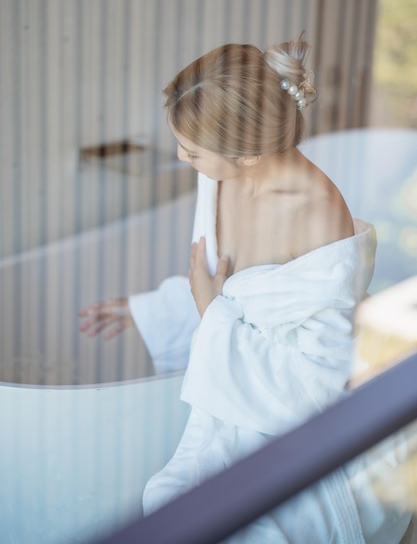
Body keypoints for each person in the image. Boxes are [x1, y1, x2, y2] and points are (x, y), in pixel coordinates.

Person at [80, 35, 411, 542]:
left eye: (191, 150)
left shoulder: (316, 218)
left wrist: (208, 311)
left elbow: (316, 383)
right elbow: (228, 285)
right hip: (231, 382)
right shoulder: (220, 173)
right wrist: (148, 309)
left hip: (288, 420)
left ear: (249, 156)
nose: (180, 155)